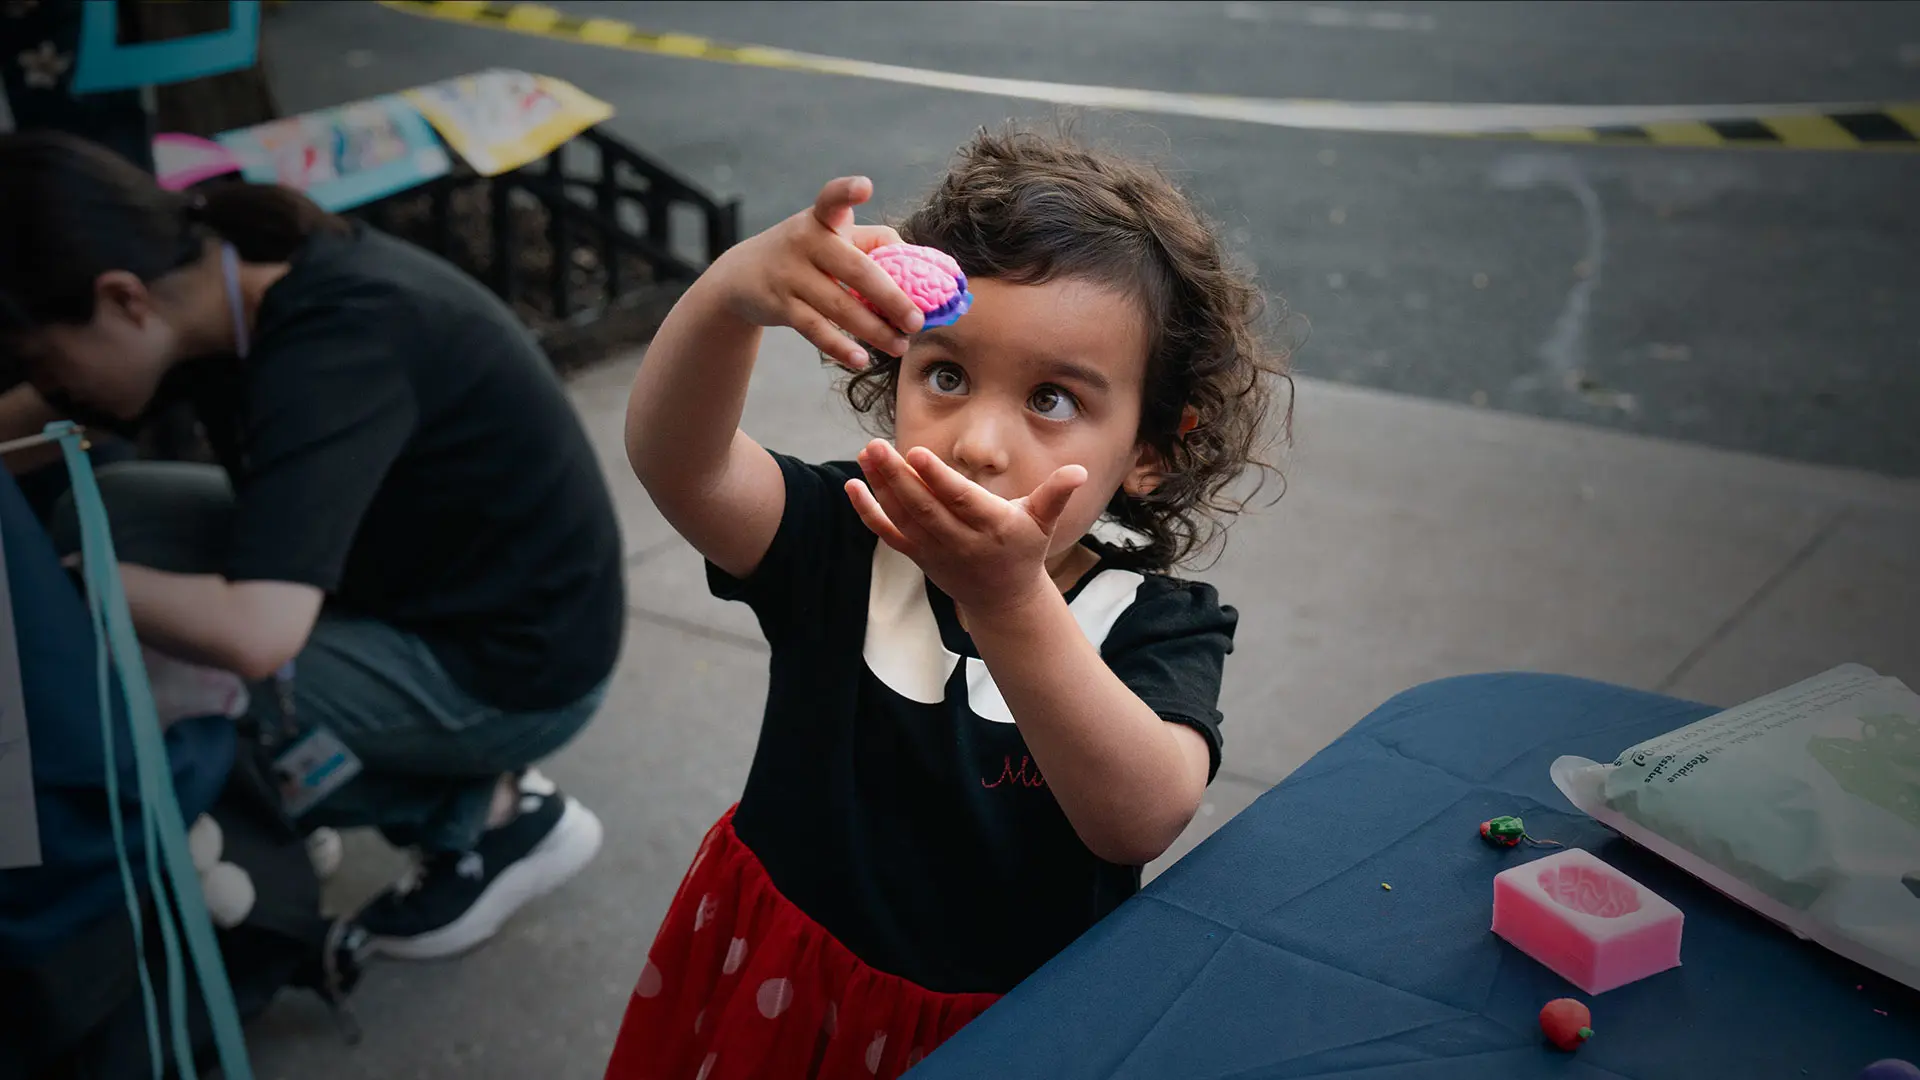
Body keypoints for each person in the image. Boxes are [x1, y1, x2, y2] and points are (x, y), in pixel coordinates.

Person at [604, 126, 1287, 1079]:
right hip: (784, 986)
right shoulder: (841, 535)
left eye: (1051, 399)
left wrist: (1007, 602)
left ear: (1151, 449)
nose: (976, 443)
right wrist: (728, 297)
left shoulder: (1153, 621)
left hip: (1003, 1036)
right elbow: (681, 463)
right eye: (947, 375)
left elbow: (1138, 819)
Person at [0, 131, 626, 961]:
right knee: (112, 510)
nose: (50, 391)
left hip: (517, 665)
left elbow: (259, 634)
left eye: (46, 363)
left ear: (122, 300)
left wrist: (73, 591)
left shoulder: (339, 340)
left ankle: (492, 821)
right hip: (408, 579)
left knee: (186, 688)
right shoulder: (224, 282)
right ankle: (302, 796)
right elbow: (46, 425)